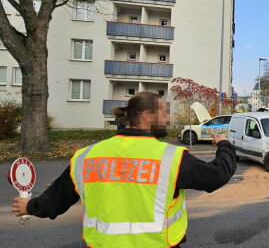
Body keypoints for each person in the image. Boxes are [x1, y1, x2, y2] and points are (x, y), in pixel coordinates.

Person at [11, 92, 236, 248]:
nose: (168, 119)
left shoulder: (86, 157)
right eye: (164, 113)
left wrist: (29, 205)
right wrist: (224, 144)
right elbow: (217, 175)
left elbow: (56, 201)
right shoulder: (171, 157)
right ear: (147, 116)